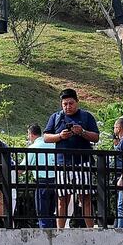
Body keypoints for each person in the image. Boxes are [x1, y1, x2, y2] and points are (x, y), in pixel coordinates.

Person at [43, 88, 100, 228]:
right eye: (65, 104)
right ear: (61, 104)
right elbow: (46, 137)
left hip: (83, 163)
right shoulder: (56, 117)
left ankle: (90, 230)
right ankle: (60, 231)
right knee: (62, 198)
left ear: (77, 102)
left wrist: (82, 132)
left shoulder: (87, 117)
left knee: (85, 198)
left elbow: (96, 137)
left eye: (71, 103)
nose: (68, 107)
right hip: (62, 164)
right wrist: (60, 136)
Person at [25, 124, 56, 229]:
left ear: (31, 134)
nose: (28, 137)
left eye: (28, 134)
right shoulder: (53, 145)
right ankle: (53, 233)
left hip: (42, 182)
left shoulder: (33, 147)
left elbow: (22, 167)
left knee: (42, 211)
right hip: (56, 182)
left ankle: (45, 234)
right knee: (52, 211)